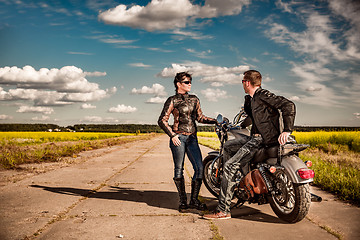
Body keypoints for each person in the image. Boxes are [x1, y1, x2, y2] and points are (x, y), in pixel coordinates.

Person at [203, 70, 296, 219]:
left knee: (229, 166)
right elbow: (253, 118)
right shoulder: (252, 99)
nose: (242, 85)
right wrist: (239, 124)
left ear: (247, 82)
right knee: (228, 146)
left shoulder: (263, 95)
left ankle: (223, 210)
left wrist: (287, 130)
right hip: (255, 138)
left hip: (261, 141)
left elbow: (288, 105)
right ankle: (232, 185)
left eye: (242, 82)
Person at [158, 72, 216, 212]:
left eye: (190, 81)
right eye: (186, 82)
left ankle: (194, 200)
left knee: (199, 168)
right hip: (178, 138)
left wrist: (216, 121)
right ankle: (183, 202)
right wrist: (172, 135)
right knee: (179, 169)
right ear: (178, 84)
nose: (189, 84)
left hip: (192, 138)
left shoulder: (194, 99)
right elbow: (162, 120)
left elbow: (200, 118)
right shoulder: (173, 100)